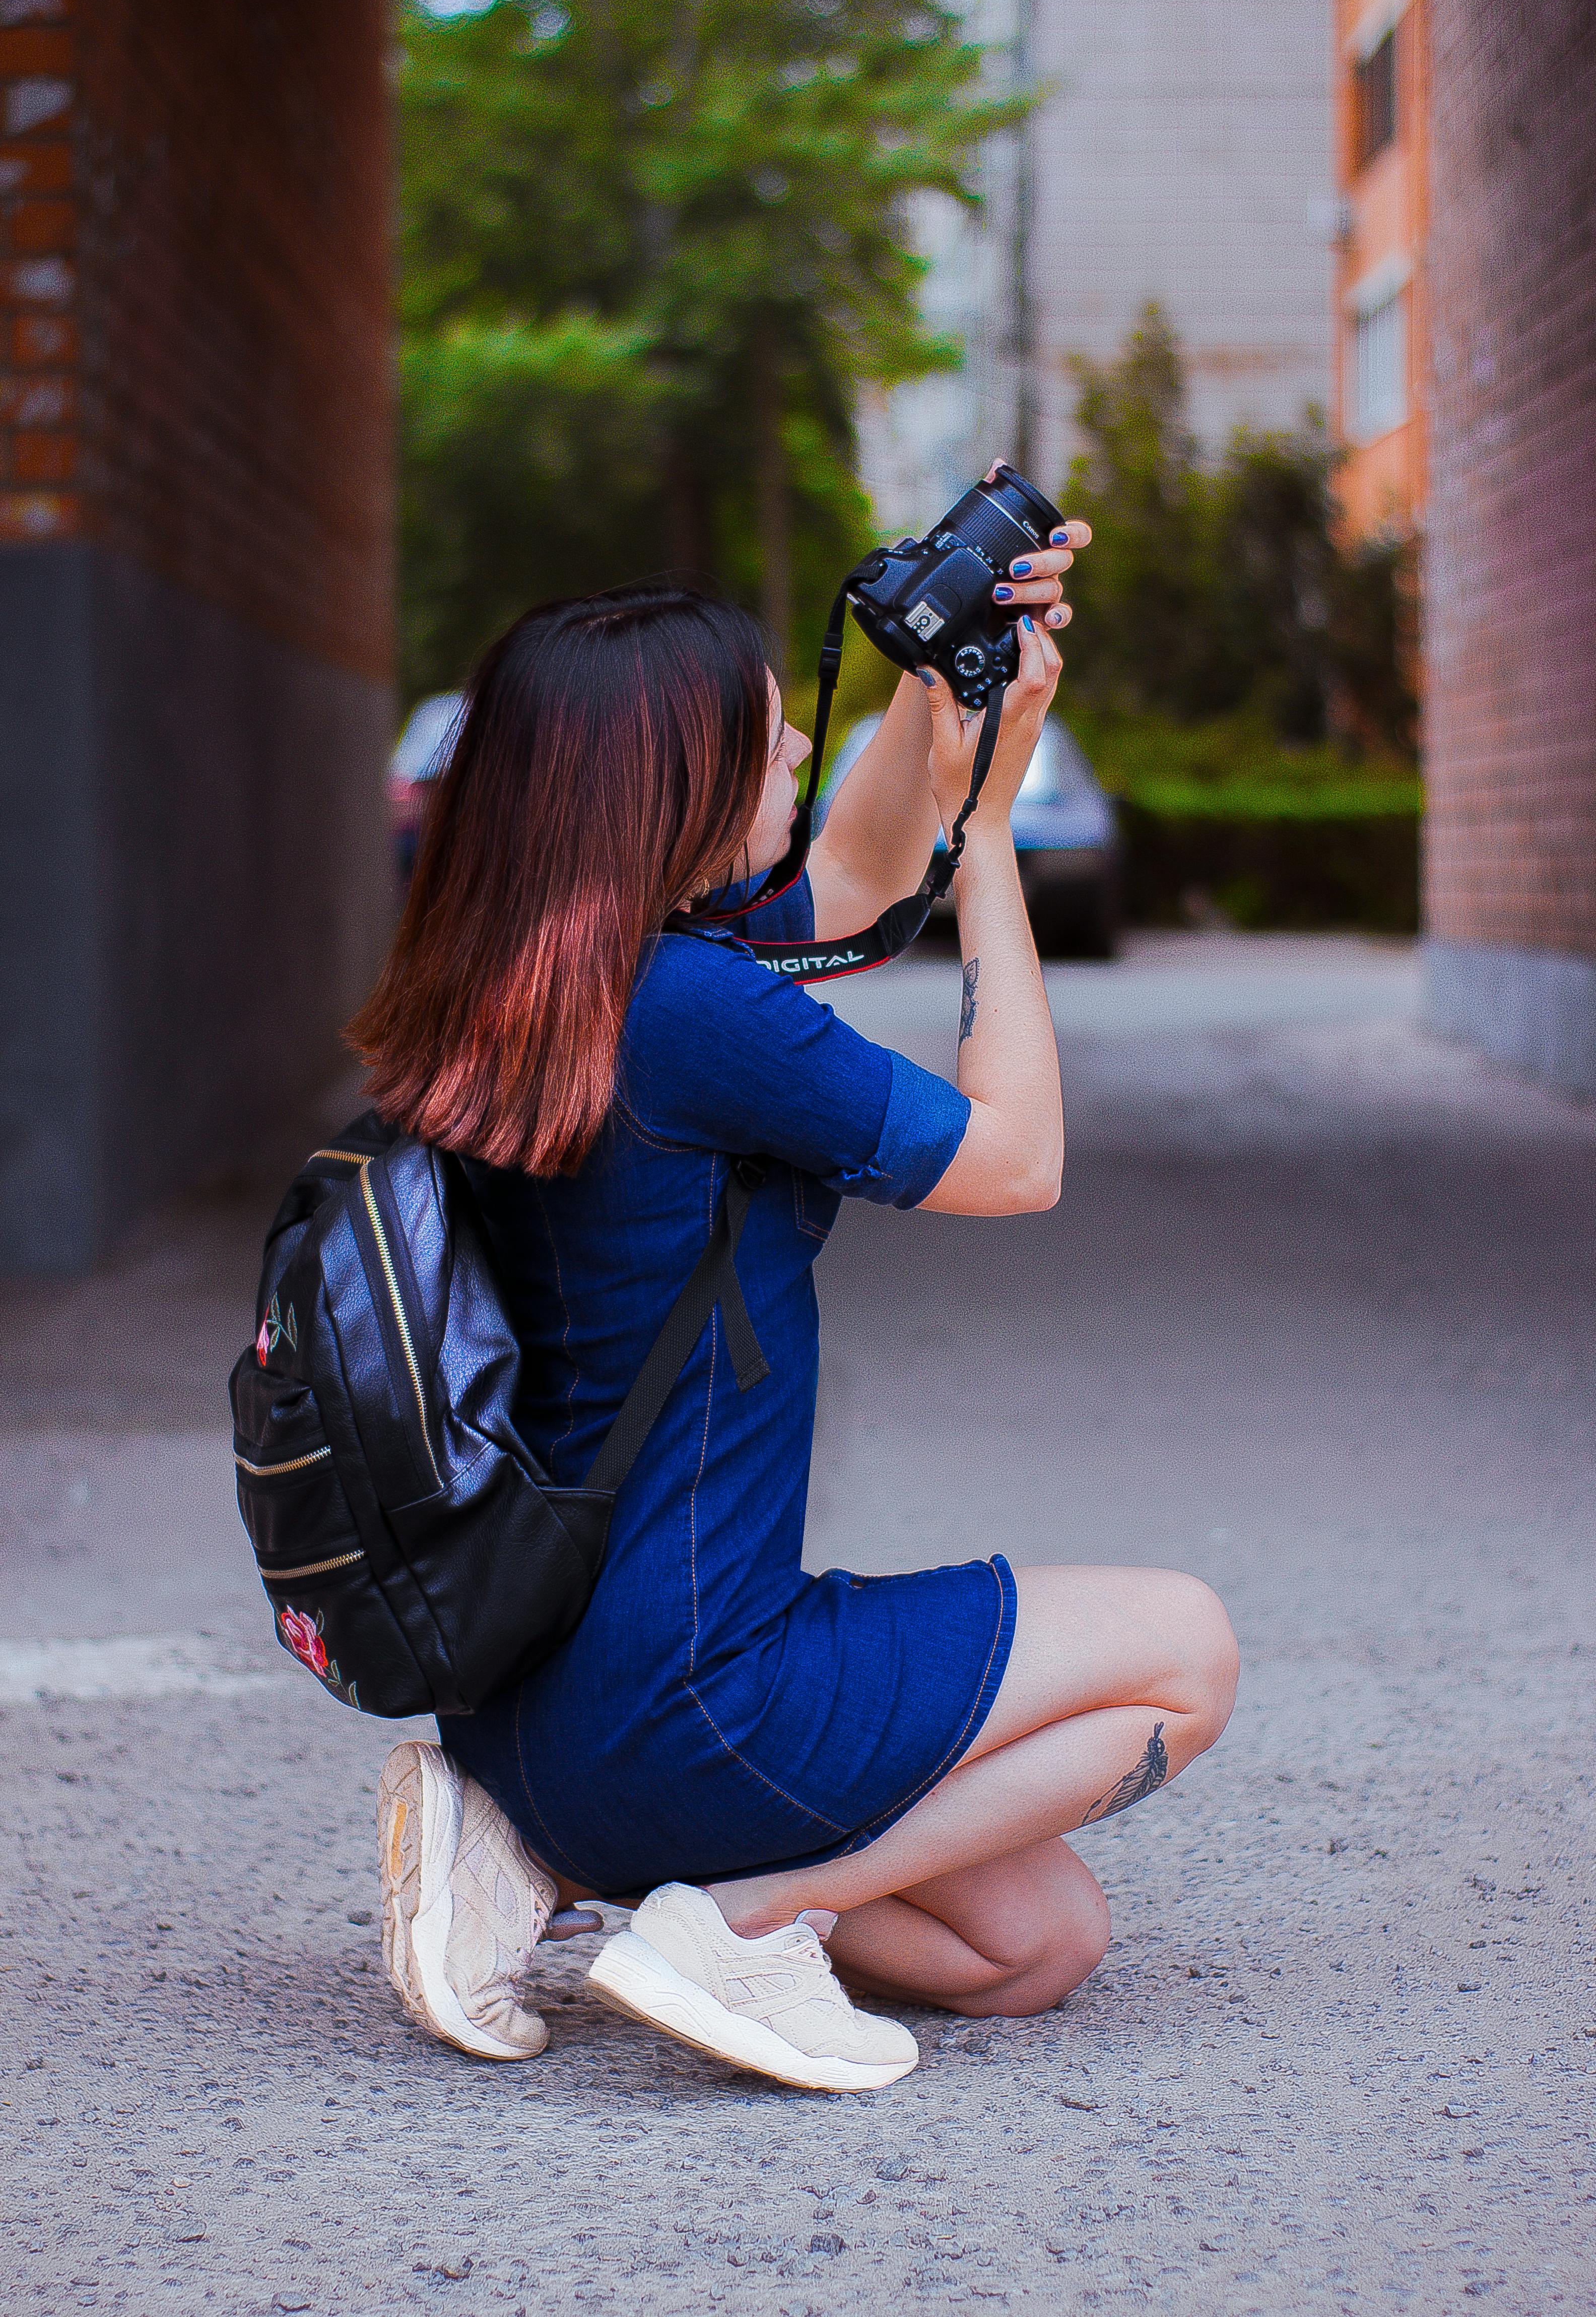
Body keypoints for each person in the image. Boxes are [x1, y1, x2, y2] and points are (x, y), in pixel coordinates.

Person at [348, 504, 1238, 2092]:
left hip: (528, 1703)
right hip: (703, 1691)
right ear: (675, 799)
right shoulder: (691, 1009)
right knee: (1190, 1650)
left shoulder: (530, 971)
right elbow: (1017, 1158)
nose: (796, 766)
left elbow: (844, 869)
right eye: (767, 751)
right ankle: (757, 1919)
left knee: (1034, 1945)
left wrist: (939, 694)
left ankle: (540, 1857)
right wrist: (990, 845)